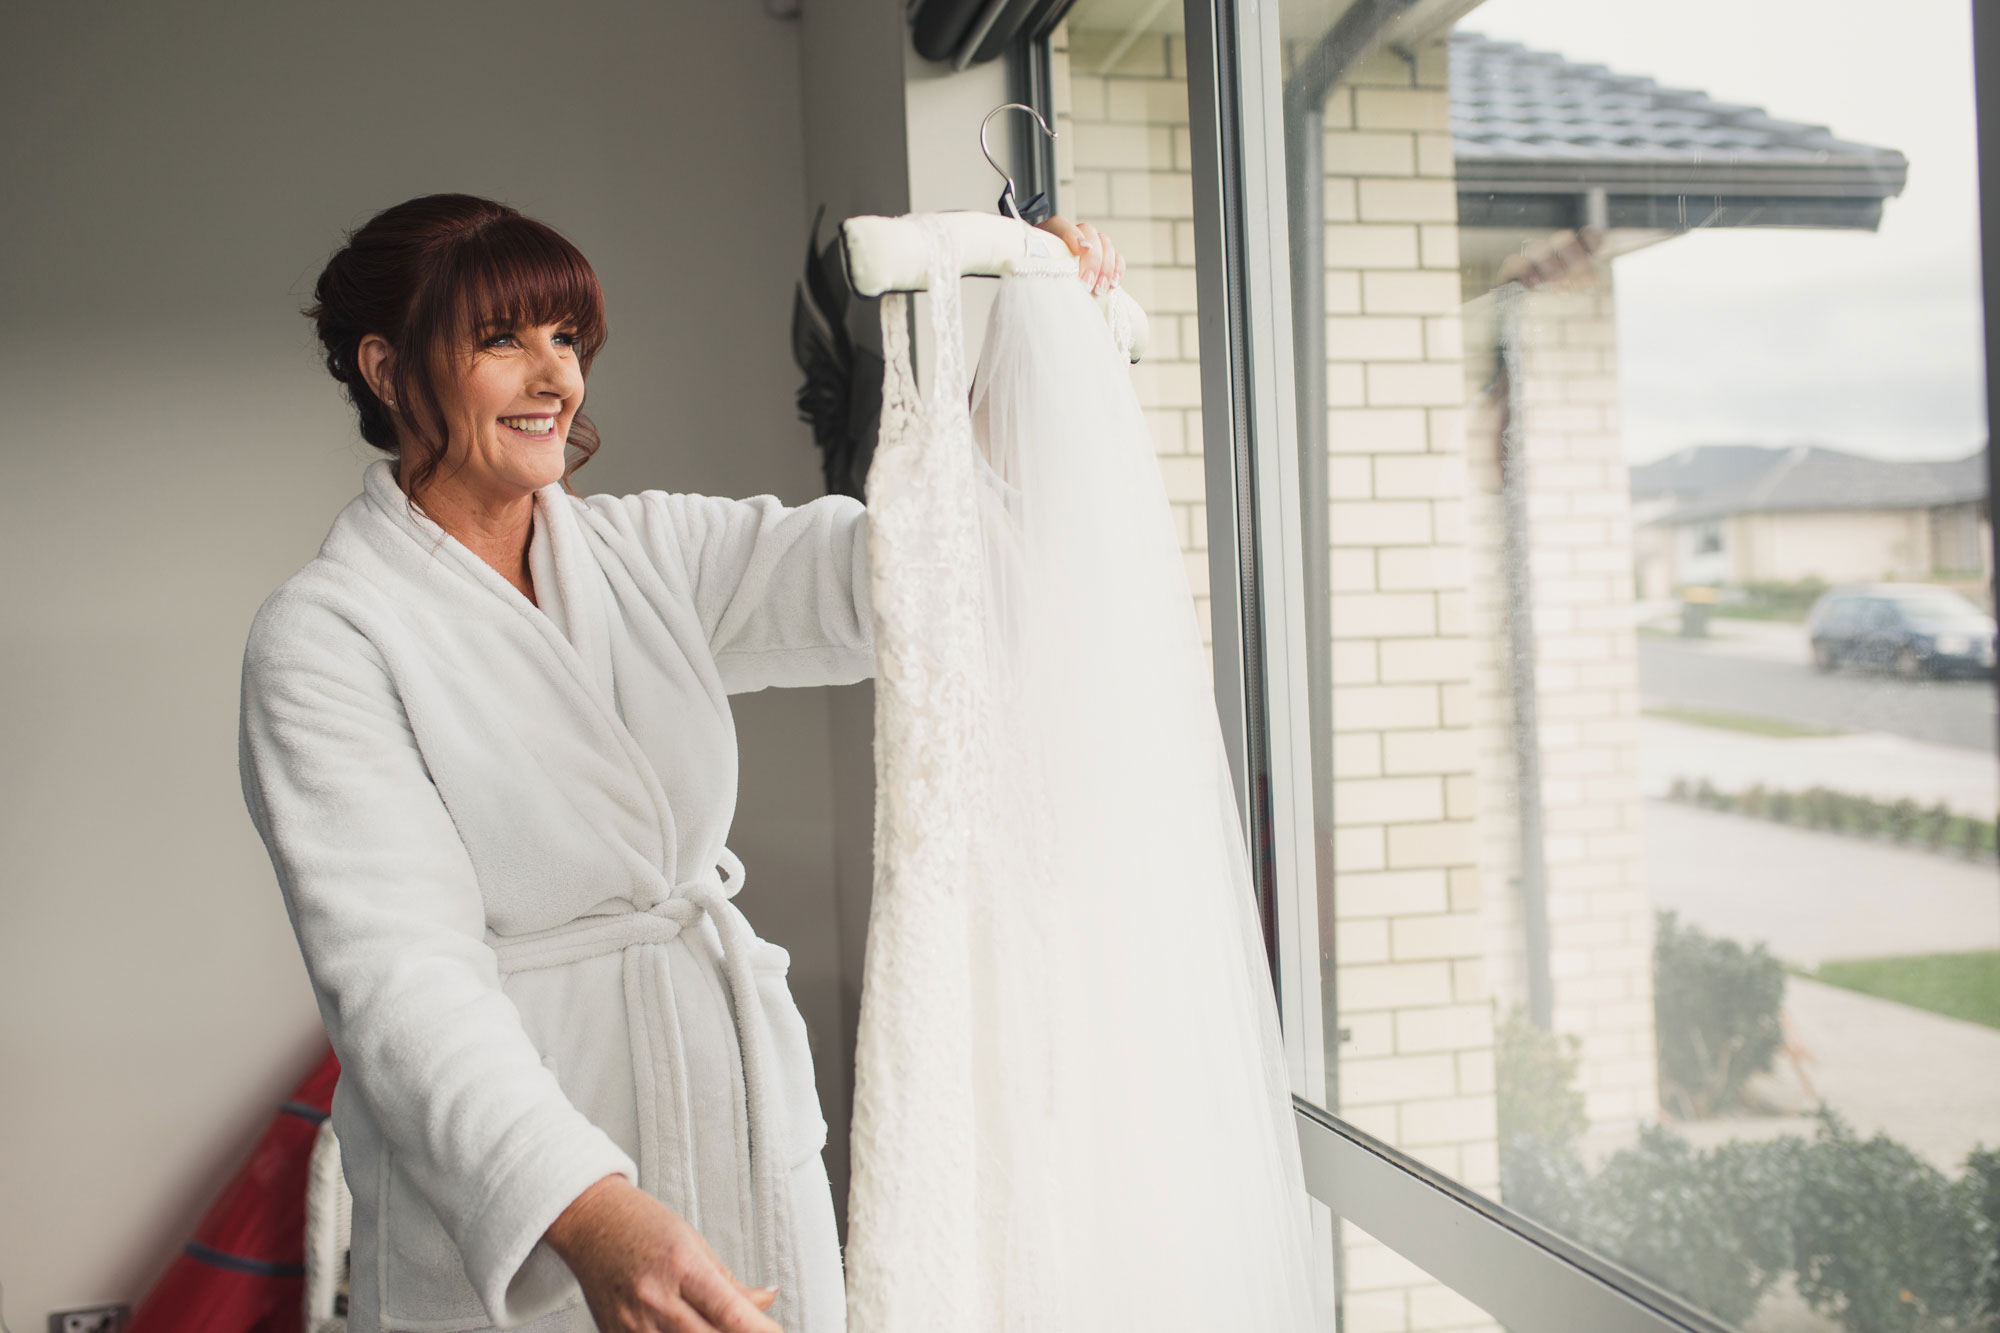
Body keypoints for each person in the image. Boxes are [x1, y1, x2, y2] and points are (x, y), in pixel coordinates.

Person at [238, 193, 1121, 1333]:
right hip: (529, 1198)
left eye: (566, 338)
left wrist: (1020, 339)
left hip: (736, 1128)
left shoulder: (644, 552)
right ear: (387, 366)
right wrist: (593, 1213)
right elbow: (405, 986)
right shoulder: (327, 636)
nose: (553, 376)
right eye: (501, 339)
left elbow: (913, 578)